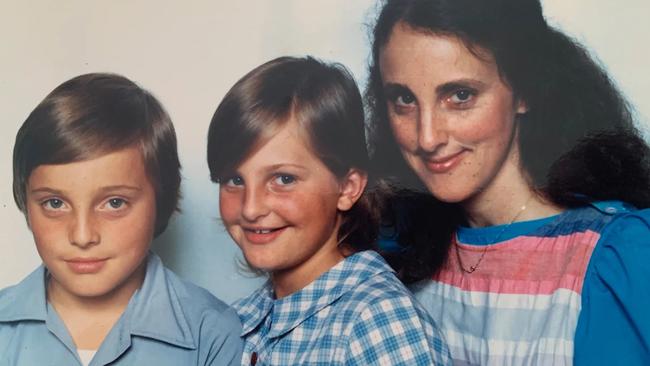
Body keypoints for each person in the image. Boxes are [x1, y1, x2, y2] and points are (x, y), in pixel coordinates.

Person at [365, 0, 650, 365]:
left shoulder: (615, 256)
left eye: (460, 96)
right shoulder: (392, 251)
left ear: (525, 90)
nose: (427, 137)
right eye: (404, 99)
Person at [207, 56, 451, 365]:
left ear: (348, 187)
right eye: (234, 180)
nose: (251, 208)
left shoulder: (377, 321)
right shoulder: (241, 320)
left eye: (283, 179)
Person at [1, 73, 243, 365]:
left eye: (114, 203)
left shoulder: (214, 335)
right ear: (25, 201)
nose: (82, 235)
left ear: (162, 201)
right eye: (55, 203)